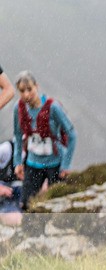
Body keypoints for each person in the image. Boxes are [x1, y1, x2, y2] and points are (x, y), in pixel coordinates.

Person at [12, 71, 77, 211]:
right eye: (22, 91)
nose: (26, 95)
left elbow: (72, 134)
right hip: (32, 164)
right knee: (26, 205)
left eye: (29, 89)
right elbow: (17, 135)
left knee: (57, 205)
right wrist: (17, 162)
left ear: (37, 86)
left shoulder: (53, 107)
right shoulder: (19, 108)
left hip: (55, 164)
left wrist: (66, 165)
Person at [0, 140, 22, 226]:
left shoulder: (37, 153)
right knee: (15, 218)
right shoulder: (6, 149)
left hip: (17, 194)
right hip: (3, 194)